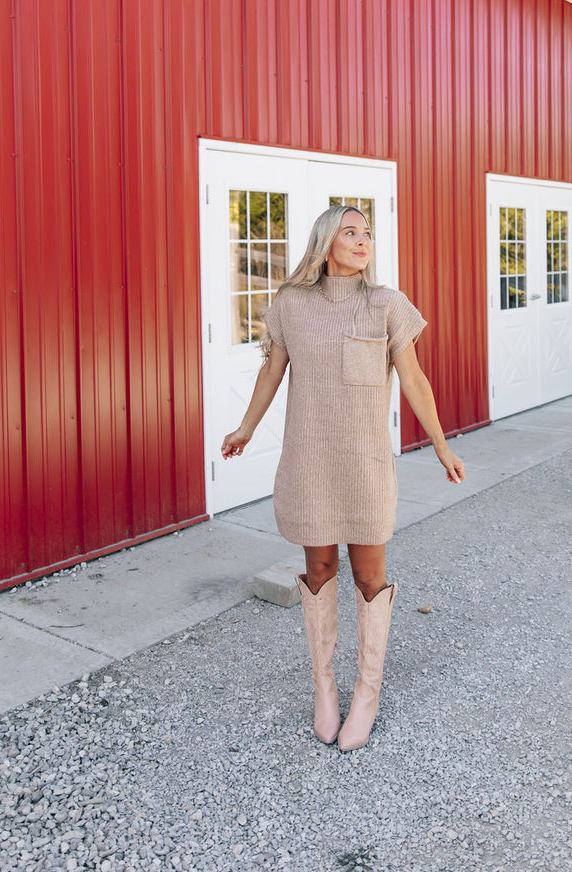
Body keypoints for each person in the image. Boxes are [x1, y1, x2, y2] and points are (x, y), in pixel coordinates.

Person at [221, 204, 464, 750]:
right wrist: (245, 428)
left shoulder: (386, 305)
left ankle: (367, 693)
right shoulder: (292, 305)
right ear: (326, 242)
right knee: (320, 568)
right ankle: (324, 688)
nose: (362, 240)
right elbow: (271, 372)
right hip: (310, 461)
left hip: (366, 464)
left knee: (370, 577)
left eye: (367, 234)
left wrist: (442, 446)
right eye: (350, 232)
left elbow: (415, 380)